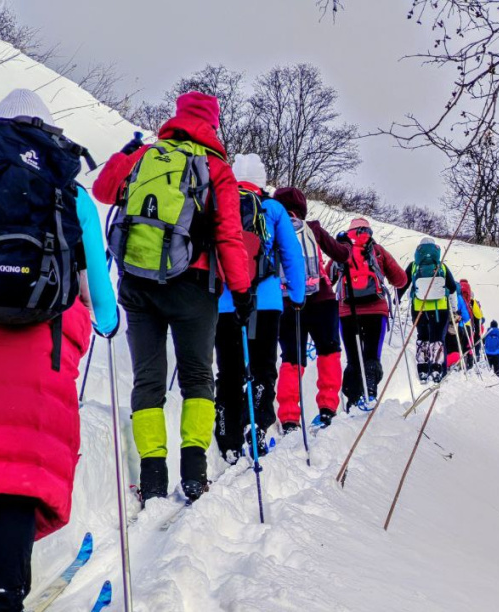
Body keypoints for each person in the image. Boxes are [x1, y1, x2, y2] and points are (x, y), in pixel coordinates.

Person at [0, 89, 118, 612]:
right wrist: (108, 319)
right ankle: (1, 594)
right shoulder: (68, 191)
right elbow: (98, 291)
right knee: (13, 476)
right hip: (42, 356)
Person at [95, 91, 253, 504]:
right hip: (194, 287)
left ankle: (151, 479)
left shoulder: (146, 155)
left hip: (137, 283)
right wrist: (242, 291)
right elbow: (229, 236)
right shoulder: (217, 168)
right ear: (213, 125)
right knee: (197, 377)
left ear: (176, 118)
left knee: (148, 381)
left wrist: (123, 154)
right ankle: (195, 473)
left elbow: (103, 190)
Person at [213, 154, 305, 462]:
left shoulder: (218, 203)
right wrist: (297, 294)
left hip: (225, 302)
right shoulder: (274, 209)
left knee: (229, 371)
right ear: (262, 180)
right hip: (266, 302)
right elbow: (292, 255)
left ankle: (227, 436)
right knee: (263, 366)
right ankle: (258, 424)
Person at [274, 187, 350, 430]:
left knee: (291, 359)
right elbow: (341, 255)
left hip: (286, 302)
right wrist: (345, 245)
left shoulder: (272, 229)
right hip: (322, 301)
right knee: (328, 352)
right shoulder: (313, 229)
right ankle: (327, 408)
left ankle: (288, 417)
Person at [330, 217, 407, 410]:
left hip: (347, 311)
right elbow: (401, 280)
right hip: (376, 310)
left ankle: (352, 400)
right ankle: (370, 392)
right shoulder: (378, 251)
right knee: (371, 354)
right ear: (369, 232)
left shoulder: (341, 250)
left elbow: (326, 277)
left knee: (353, 357)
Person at [399, 237, 460, 384]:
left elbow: (403, 284)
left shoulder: (413, 266)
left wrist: (397, 298)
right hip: (440, 309)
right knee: (437, 338)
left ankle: (422, 369)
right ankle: (436, 369)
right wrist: (454, 308)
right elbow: (452, 288)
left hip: (419, 308)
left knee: (423, 336)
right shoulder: (442, 267)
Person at [460, 279, 484, 360]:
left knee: (460, 344)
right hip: (469, 325)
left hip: (458, 325)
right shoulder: (472, 301)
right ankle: (472, 358)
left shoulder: (458, 297)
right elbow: (479, 315)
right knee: (470, 343)